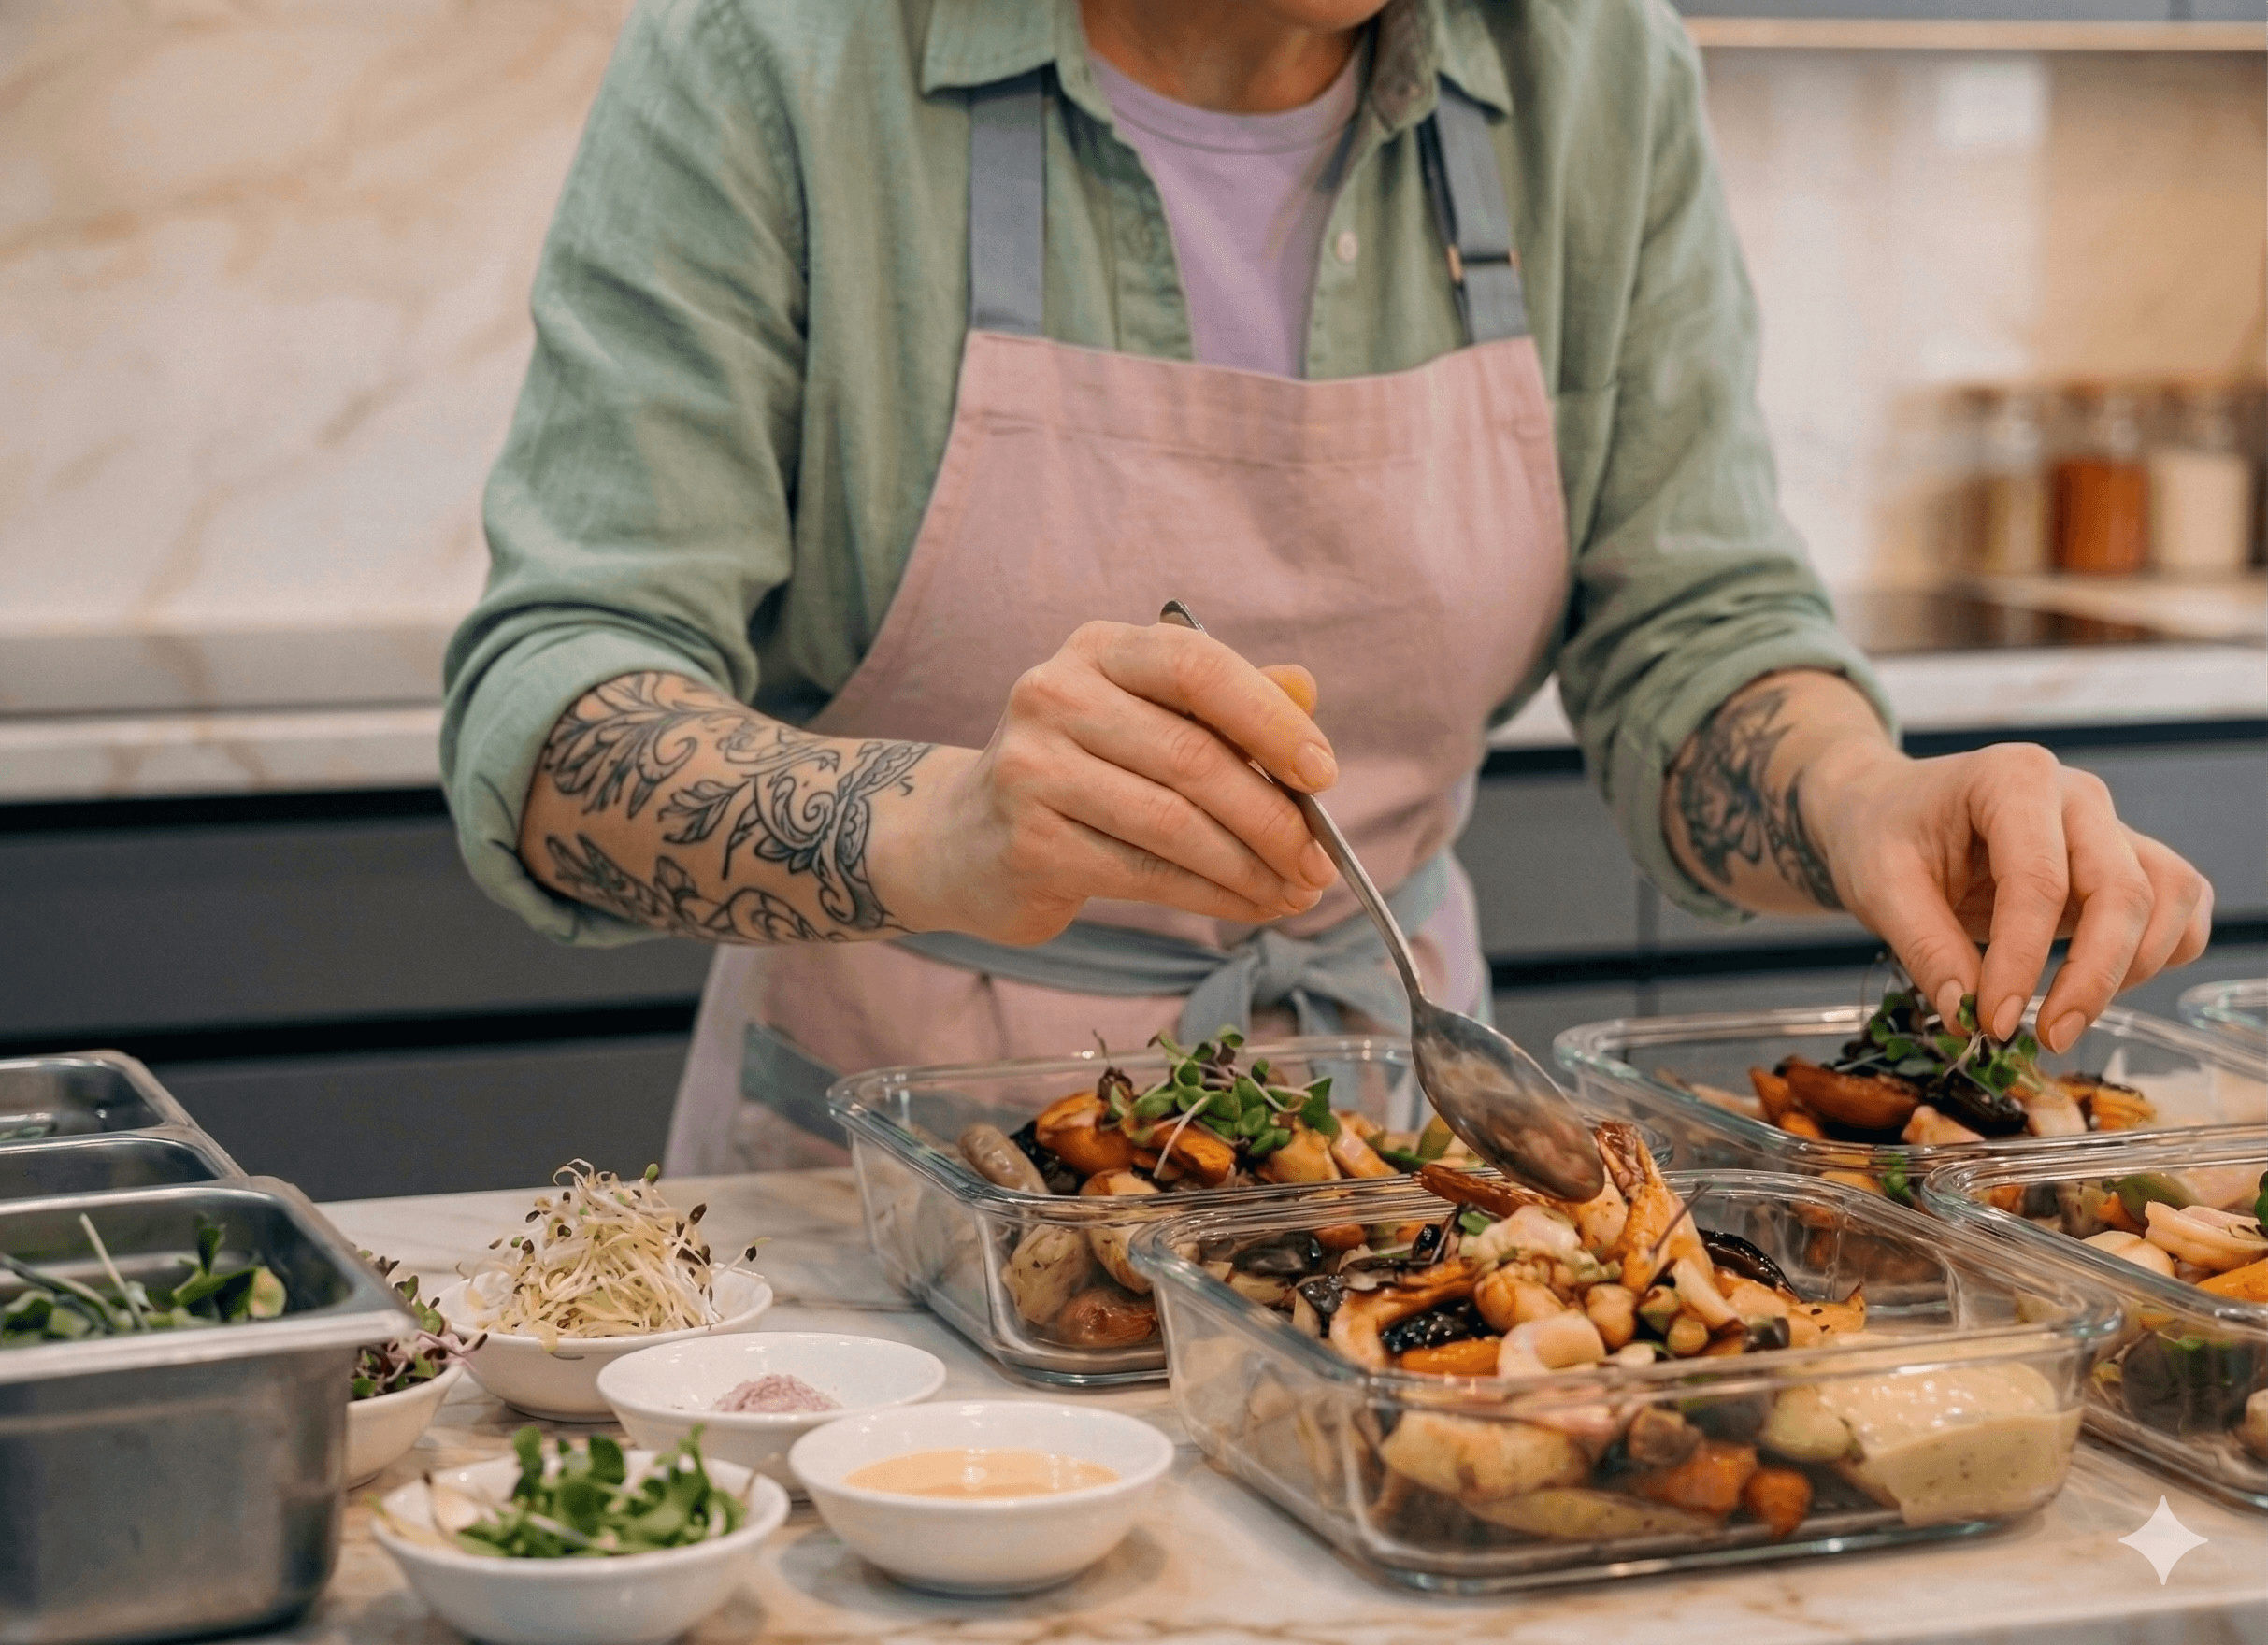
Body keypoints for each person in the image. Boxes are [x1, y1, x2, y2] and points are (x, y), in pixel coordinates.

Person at [442, 0, 2213, 1175]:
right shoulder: (776, 54)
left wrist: (1862, 799)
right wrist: (949, 829)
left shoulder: (1590, 65)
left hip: (1398, 1143)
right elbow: (556, 712)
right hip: (889, 1189)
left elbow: (1694, 628)